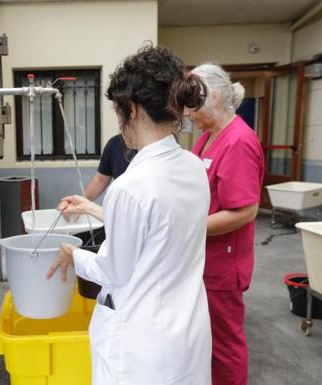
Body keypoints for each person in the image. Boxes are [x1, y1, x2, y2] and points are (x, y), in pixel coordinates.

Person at [47, 45, 212, 385]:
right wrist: (91, 206)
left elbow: (113, 271)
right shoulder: (194, 168)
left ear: (131, 110)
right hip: (187, 331)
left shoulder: (131, 186)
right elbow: (158, 231)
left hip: (140, 345)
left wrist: (73, 254)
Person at [185, 63, 265, 385]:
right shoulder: (207, 137)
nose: (187, 114)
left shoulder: (238, 141)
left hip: (223, 263)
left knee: (224, 344)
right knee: (206, 339)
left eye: (193, 105)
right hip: (204, 258)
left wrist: (186, 227)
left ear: (215, 97)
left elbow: (245, 211)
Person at [83, 134, 137, 200]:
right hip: (122, 204)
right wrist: (81, 201)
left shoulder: (150, 148)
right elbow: (101, 179)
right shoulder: (115, 143)